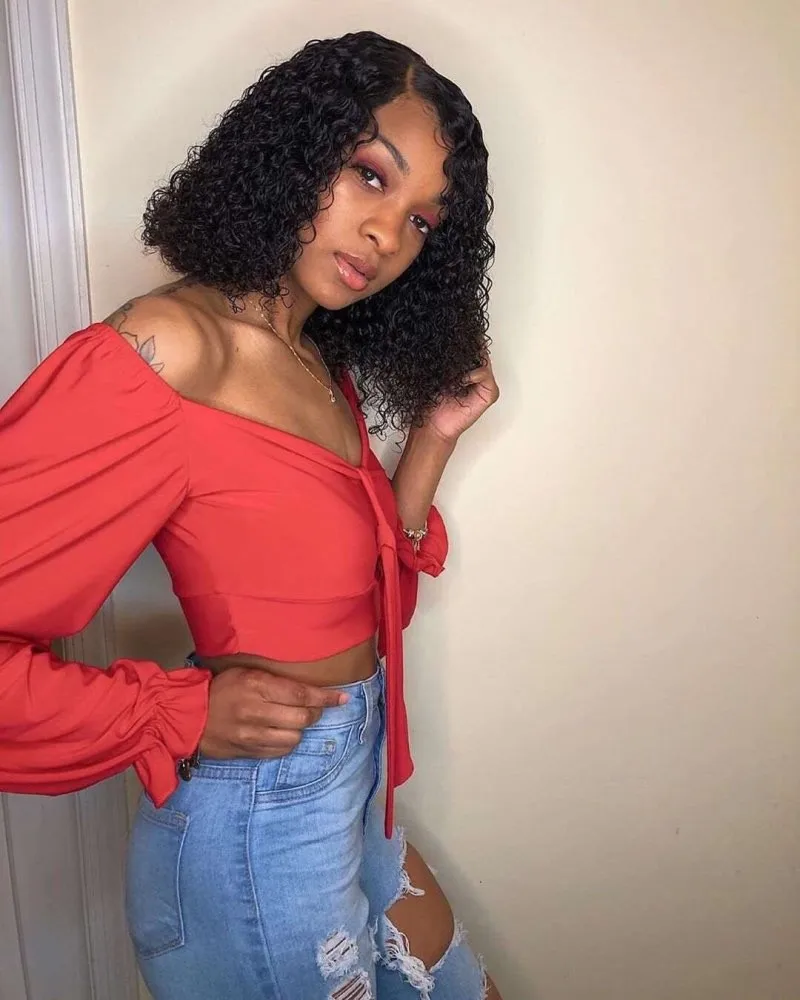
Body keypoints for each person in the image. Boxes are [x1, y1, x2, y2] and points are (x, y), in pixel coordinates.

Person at [0, 30, 500, 1000]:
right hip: (256, 836)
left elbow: (361, 612)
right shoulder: (170, 349)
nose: (386, 236)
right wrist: (178, 709)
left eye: (420, 221)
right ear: (292, 154)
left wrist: (432, 440)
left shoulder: (313, 361)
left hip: (355, 793)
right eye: (368, 175)